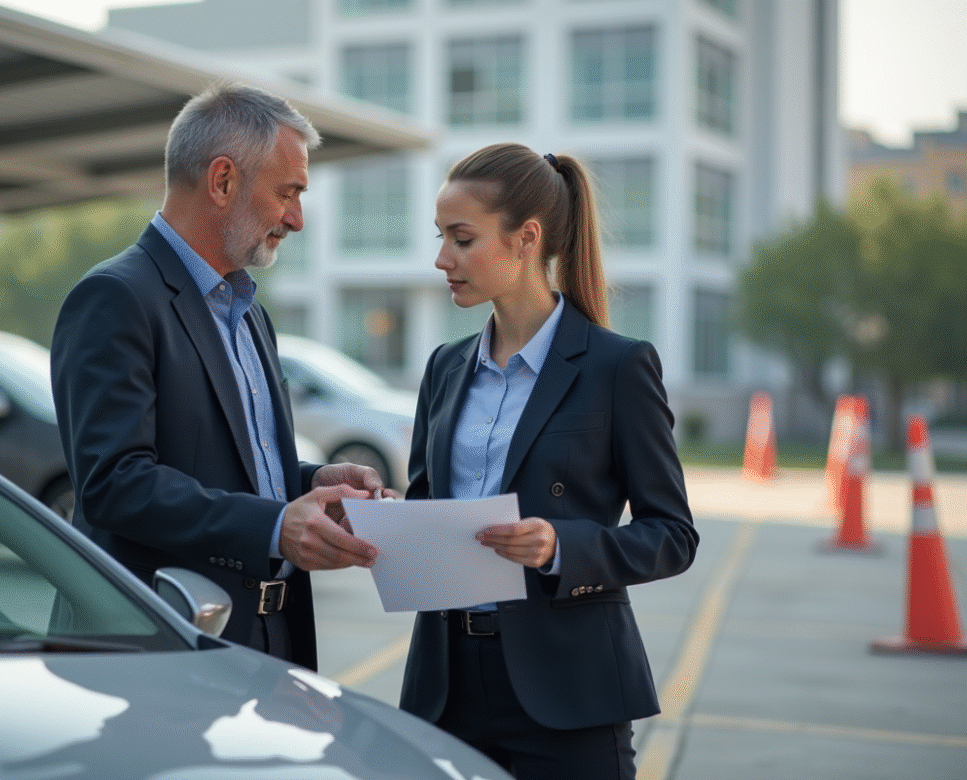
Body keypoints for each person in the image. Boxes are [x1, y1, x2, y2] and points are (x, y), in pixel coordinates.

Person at [50, 82, 386, 671]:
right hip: (164, 646)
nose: (297, 219)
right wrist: (277, 525)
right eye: (289, 193)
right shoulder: (115, 297)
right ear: (223, 180)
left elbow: (232, 465)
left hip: (271, 637)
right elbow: (115, 483)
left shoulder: (250, 313)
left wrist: (314, 482)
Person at [399, 143, 699, 779]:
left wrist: (561, 545)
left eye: (461, 238)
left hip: (568, 692)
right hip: (445, 688)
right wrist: (381, 521)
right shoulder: (445, 368)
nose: (442, 258)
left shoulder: (618, 366)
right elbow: (426, 511)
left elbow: (672, 535)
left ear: (524, 240)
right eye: (441, 237)